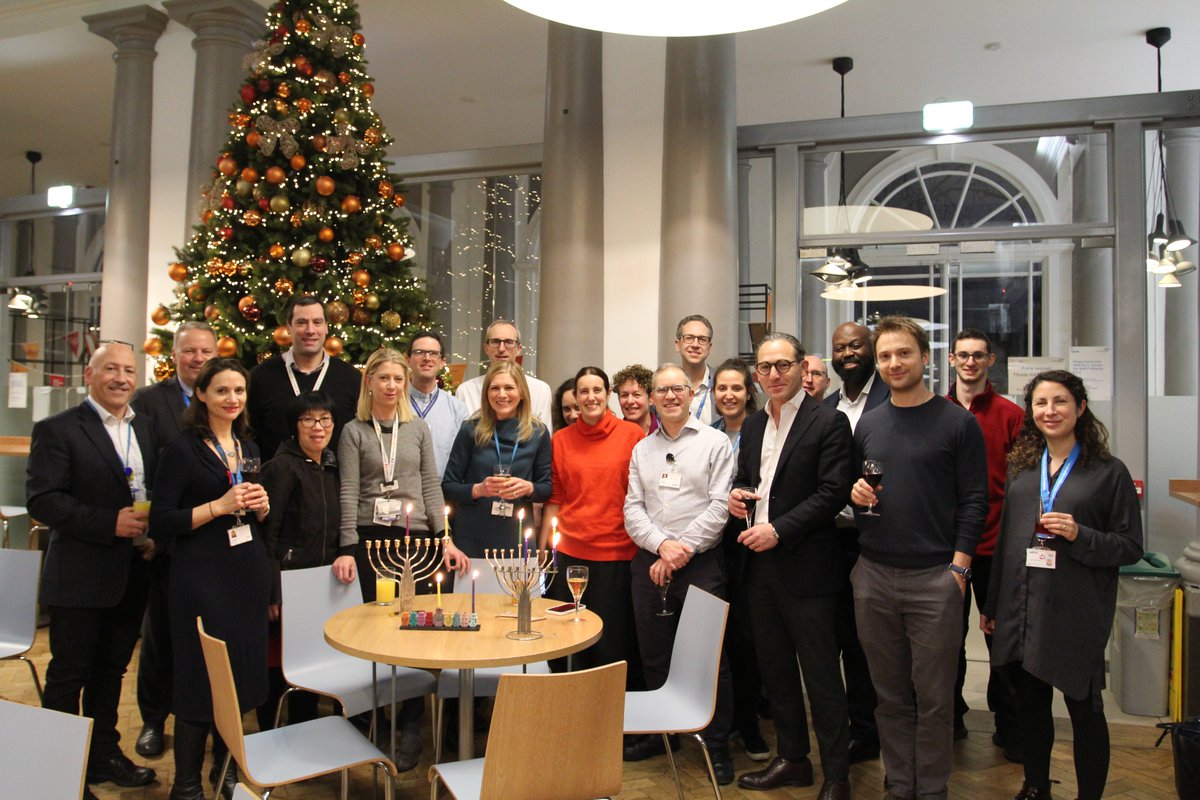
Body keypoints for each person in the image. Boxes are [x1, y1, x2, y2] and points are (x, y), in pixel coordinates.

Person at [982, 370, 1143, 800]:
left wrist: (1080, 534)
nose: (1049, 411)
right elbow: (1003, 544)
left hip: (1076, 610)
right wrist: (993, 604)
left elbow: (1130, 547)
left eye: (1060, 402)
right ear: (1030, 412)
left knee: (1084, 710)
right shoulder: (1023, 469)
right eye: (1040, 403)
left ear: (1081, 408)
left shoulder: (1109, 473)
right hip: (1023, 607)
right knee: (1031, 707)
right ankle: (1035, 786)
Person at [849, 316, 988, 800]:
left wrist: (960, 567)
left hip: (936, 578)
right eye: (885, 356)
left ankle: (931, 789)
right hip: (873, 575)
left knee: (933, 699)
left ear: (925, 357)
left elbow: (976, 499)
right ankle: (898, 783)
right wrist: (855, 493)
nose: (893, 363)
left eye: (903, 353)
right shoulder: (870, 423)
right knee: (888, 697)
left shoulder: (957, 422)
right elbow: (855, 492)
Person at [26, 342, 158, 799]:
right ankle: (59, 772)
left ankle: (103, 757)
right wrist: (110, 523)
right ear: (89, 373)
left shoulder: (144, 430)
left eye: (129, 370)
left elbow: (148, 490)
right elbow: (43, 500)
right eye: (111, 370)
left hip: (131, 573)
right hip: (80, 576)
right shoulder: (58, 429)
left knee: (110, 676)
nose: (122, 378)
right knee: (69, 677)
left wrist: (149, 535)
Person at [726, 333, 854, 800]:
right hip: (759, 567)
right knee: (775, 671)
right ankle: (793, 760)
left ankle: (837, 775)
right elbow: (748, 479)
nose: (774, 375)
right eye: (765, 367)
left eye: (783, 365)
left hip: (808, 569)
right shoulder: (756, 426)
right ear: (756, 373)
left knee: (820, 676)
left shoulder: (829, 422)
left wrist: (778, 529)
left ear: (802, 368)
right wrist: (736, 496)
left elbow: (833, 492)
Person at [338, 347, 469, 771]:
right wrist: (346, 545)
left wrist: (444, 538)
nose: (392, 386)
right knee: (372, 630)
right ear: (369, 382)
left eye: (398, 379)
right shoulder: (354, 431)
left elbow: (431, 484)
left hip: (415, 540)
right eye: (384, 379)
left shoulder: (418, 431)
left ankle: (410, 726)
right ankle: (368, 719)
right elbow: (349, 492)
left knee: (411, 631)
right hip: (371, 541)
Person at [150, 358, 271, 800]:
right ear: (201, 395)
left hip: (246, 579)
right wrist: (217, 507)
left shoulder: (249, 448)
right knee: (200, 680)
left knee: (238, 680)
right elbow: (161, 521)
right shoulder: (182, 450)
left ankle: (228, 771)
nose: (232, 399)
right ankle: (185, 785)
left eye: (239, 391)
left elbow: (252, 515)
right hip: (202, 581)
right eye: (222, 391)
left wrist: (260, 506)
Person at [622, 364, 736, 783]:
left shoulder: (715, 442)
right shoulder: (642, 449)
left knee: (710, 657)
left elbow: (720, 506)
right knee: (655, 652)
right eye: (662, 390)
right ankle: (663, 732)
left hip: (701, 562)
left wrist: (680, 549)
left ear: (691, 394)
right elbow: (632, 507)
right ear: (652, 398)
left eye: (677, 389)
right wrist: (660, 546)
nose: (670, 396)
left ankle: (717, 742)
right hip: (650, 561)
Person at [130, 320, 217, 758]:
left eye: (205, 351)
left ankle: (208, 721)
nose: (198, 359)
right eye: (190, 351)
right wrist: (146, 531)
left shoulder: (226, 400)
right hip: (165, 540)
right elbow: (136, 469)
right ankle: (152, 719)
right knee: (161, 635)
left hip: (211, 544)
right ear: (175, 354)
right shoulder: (148, 401)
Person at [946, 328, 1025, 757]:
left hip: (996, 547)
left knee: (1003, 641)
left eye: (978, 356)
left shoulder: (1012, 416)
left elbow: (1023, 486)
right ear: (953, 361)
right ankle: (952, 719)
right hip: (947, 547)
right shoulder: (934, 411)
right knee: (946, 638)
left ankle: (1009, 727)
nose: (970, 362)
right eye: (963, 356)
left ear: (991, 361)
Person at [258, 390, 354, 729]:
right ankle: (272, 732)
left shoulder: (332, 463)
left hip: (324, 582)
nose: (318, 427)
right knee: (282, 664)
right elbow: (268, 534)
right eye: (309, 419)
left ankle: (307, 728)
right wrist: (273, 591)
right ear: (295, 425)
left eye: (325, 420)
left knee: (313, 660)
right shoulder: (281, 467)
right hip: (290, 580)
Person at [540, 366, 644, 680]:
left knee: (612, 643)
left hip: (617, 555)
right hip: (570, 555)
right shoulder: (560, 440)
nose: (590, 397)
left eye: (597, 390)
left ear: (608, 394)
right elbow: (555, 499)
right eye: (583, 391)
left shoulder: (632, 436)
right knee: (569, 644)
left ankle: (612, 716)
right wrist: (545, 549)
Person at [823, 320, 890, 763]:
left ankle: (884, 730)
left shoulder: (892, 400)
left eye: (856, 346)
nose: (848, 353)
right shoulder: (826, 406)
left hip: (881, 539)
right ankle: (860, 728)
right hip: (834, 541)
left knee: (878, 644)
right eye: (840, 347)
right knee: (845, 638)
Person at [710, 357, 769, 762]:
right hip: (714, 547)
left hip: (752, 546)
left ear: (749, 391)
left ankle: (749, 724)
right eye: (721, 388)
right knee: (719, 639)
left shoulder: (763, 431)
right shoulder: (706, 434)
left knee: (749, 640)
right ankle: (721, 719)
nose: (728, 395)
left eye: (736, 388)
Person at [442, 360, 552, 559]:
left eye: (509, 387)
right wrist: (478, 489)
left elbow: (546, 488)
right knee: (472, 592)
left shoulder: (538, 433)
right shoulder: (470, 430)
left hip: (516, 537)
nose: (502, 395)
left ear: (521, 392)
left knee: (517, 591)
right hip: (471, 537)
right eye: (495, 388)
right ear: (486, 394)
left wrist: (529, 488)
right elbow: (448, 486)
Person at [248, 297, 361, 461]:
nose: (310, 330)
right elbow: (249, 437)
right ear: (288, 327)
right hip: (275, 482)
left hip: (334, 483)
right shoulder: (260, 377)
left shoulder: (350, 378)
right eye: (301, 322)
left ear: (326, 327)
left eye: (317, 322)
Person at [454, 320, 553, 426]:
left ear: (519, 349)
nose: (501, 349)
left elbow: (543, 436)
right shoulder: (466, 391)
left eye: (509, 342)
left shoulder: (541, 390)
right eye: (495, 342)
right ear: (486, 348)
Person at [406, 330, 467, 478]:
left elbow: (465, 457)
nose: (427, 358)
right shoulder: (394, 403)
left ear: (442, 362)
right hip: (401, 494)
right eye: (419, 352)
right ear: (407, 360)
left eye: (433, 353)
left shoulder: (458, 409)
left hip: (443, 495)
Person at [675, 314, 716, 424]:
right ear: (678, 345)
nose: (695, 344)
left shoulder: (721, 384)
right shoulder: (664, 386)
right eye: (689, 338)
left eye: (702, 339)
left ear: (709, 347)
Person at [614, 363, 658, 435]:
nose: (630, 401)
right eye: (624, 395)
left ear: (651, 399)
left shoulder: (667, 433)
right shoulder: (614, 436)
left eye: (636, 395)